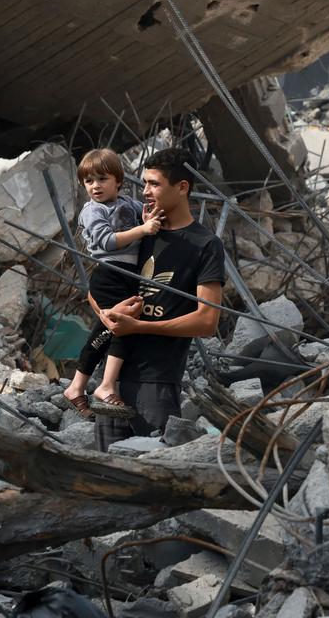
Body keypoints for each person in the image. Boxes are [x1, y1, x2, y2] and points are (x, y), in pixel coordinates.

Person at [90, 147, 226, 452]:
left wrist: (137, 327)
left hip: (157, 382)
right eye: (144, 183)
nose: (146, 192)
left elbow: (207, 321)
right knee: (105, 472)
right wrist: (105, 313)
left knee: (154, 471)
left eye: (154, 184)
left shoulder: (205, 246)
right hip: (110, 378)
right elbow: (96, 287)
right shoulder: (138, 232)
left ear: (182, 187)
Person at [63, 149, 163, 421]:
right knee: (123, 328)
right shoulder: (92, 211)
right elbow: (106, 241)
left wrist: (146, 219)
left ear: (118, 180)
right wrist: (143, 230)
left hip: (127, 275)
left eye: (102, 179)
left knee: (105, 330)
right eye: (89, 181)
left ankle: (76, 387)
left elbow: (145, 219)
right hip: (109, 274)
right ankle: (105, 386)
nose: (95, 186)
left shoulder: (128, 204)